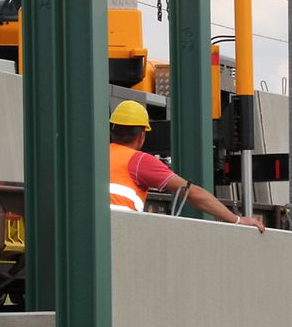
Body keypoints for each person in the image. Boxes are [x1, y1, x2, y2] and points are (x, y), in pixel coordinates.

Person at [108, 100, 265, 233]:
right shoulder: (140, 161)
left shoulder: (97, 156)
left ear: (112, 132)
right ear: (142, 136)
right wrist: (237, 220)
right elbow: (192, 193)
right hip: (120, 234)